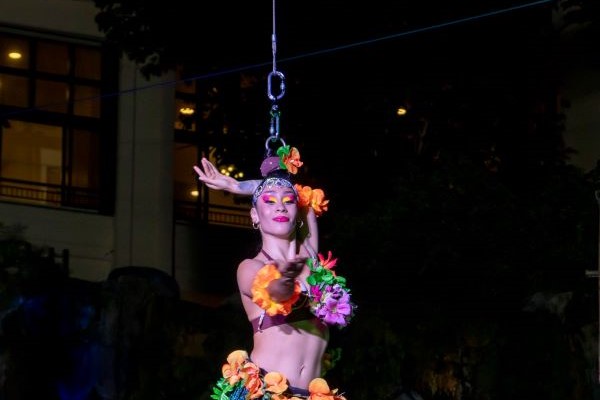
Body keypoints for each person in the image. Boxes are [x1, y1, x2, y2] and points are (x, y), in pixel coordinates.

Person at [194, 144, 354, 400]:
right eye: (269, 202)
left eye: (288, 202)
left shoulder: (309, 255)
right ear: (254, 215)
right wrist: (287, 279)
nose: (280, 206)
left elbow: (304, 196)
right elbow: (276, 292)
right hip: (268, 393)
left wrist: (243, 186)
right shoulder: (250, 267)